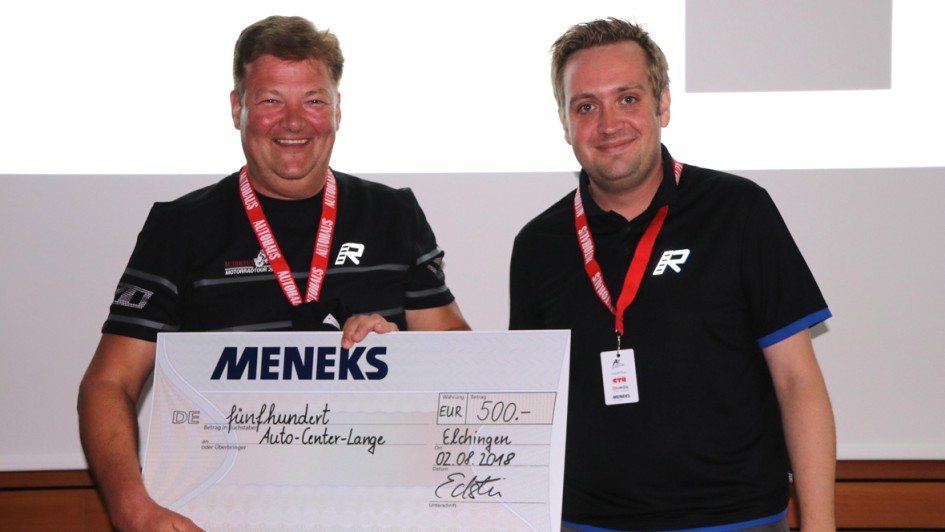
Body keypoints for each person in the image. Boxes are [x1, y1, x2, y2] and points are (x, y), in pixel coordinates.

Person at [78, 15, 469, 532]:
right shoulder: (181, 227)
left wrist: (406, 353)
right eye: (270, 100)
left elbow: (460, 357)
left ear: (337, 109)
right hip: (222, 516)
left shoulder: (394, 214)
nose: (294, 122)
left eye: (313, 100)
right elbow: (109, 382)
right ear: (237, 108)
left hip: (376, 510)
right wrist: (131, 507)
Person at [509, 17, 836, 532]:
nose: (608, 124)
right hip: (586, 521)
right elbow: (527, 404)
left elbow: (797, 381)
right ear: (565, 124)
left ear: (662, 105)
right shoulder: (537, 245)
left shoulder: (739, 211)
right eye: (586, 106)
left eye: (628, 98)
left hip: (737, 518)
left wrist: (819, 524)